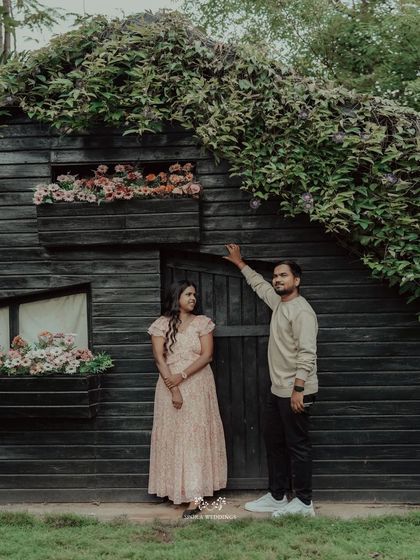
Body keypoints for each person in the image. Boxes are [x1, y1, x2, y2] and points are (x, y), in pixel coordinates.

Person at [224, 244, 318, 517]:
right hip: (278, 390)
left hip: (297, 390)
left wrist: (298, 389)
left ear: (296, 281)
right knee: (274, 442)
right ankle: (277, 496)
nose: (277, 279)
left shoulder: (301, 311)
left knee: (298, 446)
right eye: (276, 275)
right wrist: (240, 264)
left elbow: (307, 353)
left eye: (283, 275)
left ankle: (303, 503)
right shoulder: (279, 303)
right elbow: (260, 286)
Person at [147, 280, 227, 518]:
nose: (193, 298)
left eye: (195, 294)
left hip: (197, 384)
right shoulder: (161, 324)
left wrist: (181, 376)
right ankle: (175, 490)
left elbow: (207, 355)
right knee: (173, 435)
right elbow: (160, 359)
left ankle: (195, 496)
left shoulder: (203, 323)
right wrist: (173, 388)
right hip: (168, 384)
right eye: (188, 294)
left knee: (194, 437)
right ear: (176, 296)